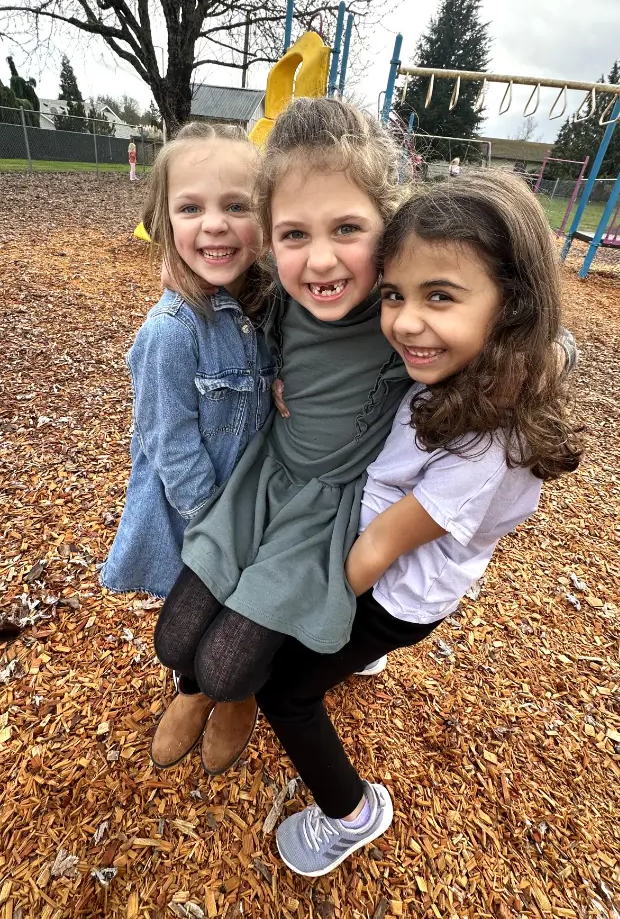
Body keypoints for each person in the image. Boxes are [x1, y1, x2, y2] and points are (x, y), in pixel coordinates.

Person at [257, 172, 584, 877]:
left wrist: (290, 606)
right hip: (402, 576)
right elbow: (560, 343)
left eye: (439, 295)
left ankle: (351, 812)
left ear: (512, 305)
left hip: (396, 594)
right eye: (394, 294)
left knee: (284, 690)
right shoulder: (474, 364)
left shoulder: (483, 437)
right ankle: (357, 653)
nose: (405, 321)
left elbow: (375, 550)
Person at [151, 98, 411, 772]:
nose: (320, 259)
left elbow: (500, 315)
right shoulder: (277, 295)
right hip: (262, 478)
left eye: (348, 227)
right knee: (174, 639)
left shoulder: (402, 312)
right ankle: (195, 690)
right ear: (271, 238)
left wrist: (549, 353)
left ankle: (233, 695)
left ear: (392, 225)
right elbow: (208, 265)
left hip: (323, 511)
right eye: (295, 234)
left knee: (227, 663)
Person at [101, 122, 275, 773]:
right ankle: (195, 691)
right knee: (185, 628)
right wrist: (218, 527)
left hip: (259, 503)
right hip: (200, 514)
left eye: (237, 205)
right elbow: (169, 445)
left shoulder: (266, 309)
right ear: (165, 219)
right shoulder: (172, 331)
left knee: (240, 623)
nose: (215, 225)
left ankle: (237, 692)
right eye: (192, 207)